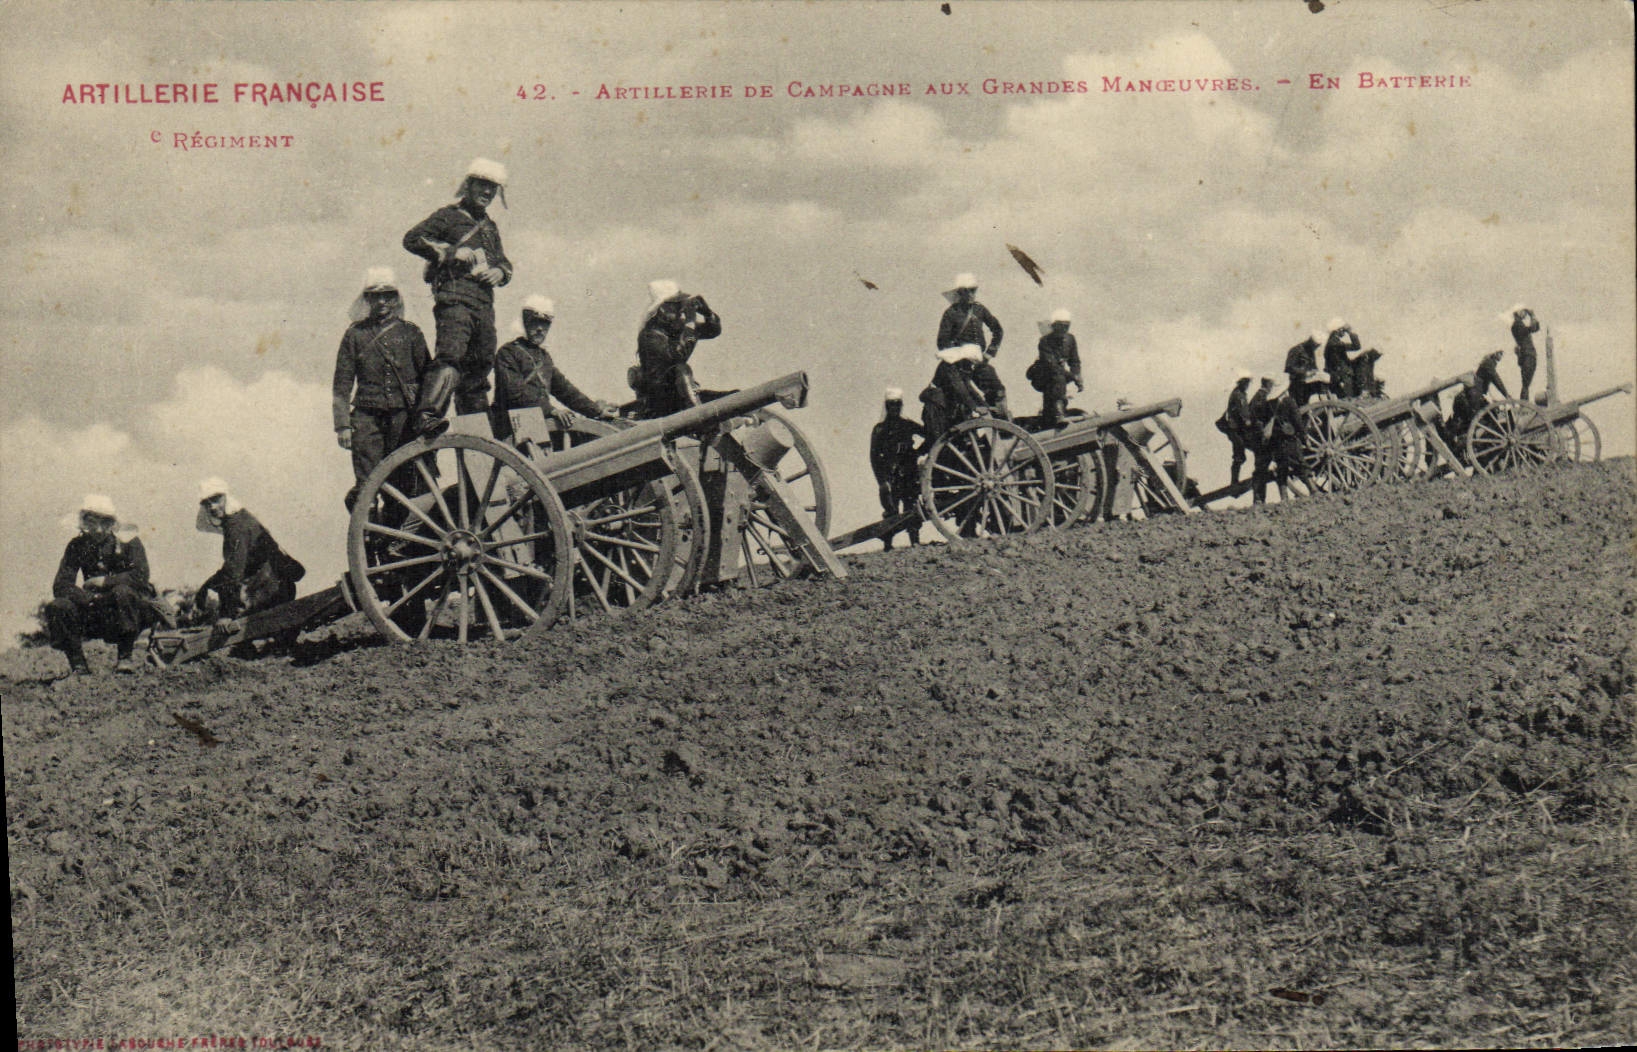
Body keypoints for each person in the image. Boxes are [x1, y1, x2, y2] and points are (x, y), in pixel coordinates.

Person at [401, 158, 513, 438]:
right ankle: (427, 416)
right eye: (482, 185)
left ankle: (477, 434)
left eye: (492, 188)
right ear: (468, 185)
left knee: (479, 369)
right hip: (455, 299)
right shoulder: (448, 216)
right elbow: (412, 239)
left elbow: (504, 262)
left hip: (483, 306)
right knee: (451, 356)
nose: (487, 192)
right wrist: (451, 252)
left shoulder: (489, 227)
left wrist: (500, 272)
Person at [332, 266, 431, 512]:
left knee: (404, 483)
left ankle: (397, 543)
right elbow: (342, 383)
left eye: (388, 295)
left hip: (403, 418)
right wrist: (343, 425)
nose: (383, 301)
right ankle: (368, 538)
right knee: (367, 485)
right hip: (367, 420)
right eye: (376, 296)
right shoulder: (355, 335)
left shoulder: (411, 333)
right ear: (368, 299)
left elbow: (428, 376)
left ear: (396, 298)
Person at [45, 495, 156, 674]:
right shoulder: (77, 545)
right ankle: (78, 665)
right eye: (91, 522)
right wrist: (89, 598)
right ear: (83, 522)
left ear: (112, 523)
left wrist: (105, 582)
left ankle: (125, 658)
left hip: (130, 610)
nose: (97, 529)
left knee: (122, 592)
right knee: (58, 606)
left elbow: (141, 575)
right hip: (94, 608)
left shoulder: (129, 541)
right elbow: (61, 584)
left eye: (104, 523)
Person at [491, 295, 618, 442]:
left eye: (545, 324)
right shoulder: (507, 353)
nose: (540, 329)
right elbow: (515, 393)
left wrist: (596, 411)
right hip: (512, 427)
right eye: (535, 322)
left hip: (538, 424)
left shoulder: (544, 357)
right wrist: (551, 410)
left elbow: (565, 390)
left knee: (583, 439)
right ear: (525, 323)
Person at [195, 479, 306, 645]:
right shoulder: (240, 518)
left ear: (226, 497)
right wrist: (207, 585)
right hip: (279, 586)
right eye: (206, 503)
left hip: (271, 592)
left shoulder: (236, 526)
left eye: (216, 499)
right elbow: (237, 564)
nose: (212, 507)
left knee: (231, 634)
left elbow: (234, 571)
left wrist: (226, 614)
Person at [632, 280, 723, 419]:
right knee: (681, 368)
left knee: (735, 397)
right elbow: (678, 356)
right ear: (662, 308)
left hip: (681, 394)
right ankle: (700, 420)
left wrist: (707, 313)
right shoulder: (650, 335)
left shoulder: (676, 327)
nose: (681, 308)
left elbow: (712, 331)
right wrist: (690, 322)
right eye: (675, 305)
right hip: (660, 401)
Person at [937, 273, 1006, 420]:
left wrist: (989, 353)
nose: (970, 294)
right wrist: (960, 353)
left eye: (973, 290)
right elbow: (942, 342)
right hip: (960, 365)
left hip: (979, 362)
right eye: (965, 291)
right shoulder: (951, 313)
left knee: (998, 390)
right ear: (959, 293)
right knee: (965, 399)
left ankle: (1002, 424)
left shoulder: (980, 310)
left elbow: (998, 330)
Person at [869, 388, 925, 549]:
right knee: (890, 509)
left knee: (912, 506)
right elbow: (874, 457)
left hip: (909, 472)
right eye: (891, 405)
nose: (895, 407)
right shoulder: (879, 429)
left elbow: (929, 435)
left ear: (901, 405)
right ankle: (888, 544)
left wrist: (917, 452)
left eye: (897, 404)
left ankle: (915, 542)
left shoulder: (907, 424)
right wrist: (881, 481)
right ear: (887, 406)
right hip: (890, 475)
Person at [1256, 380, 1315, 504]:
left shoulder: (1269, 404)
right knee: (1300, 464)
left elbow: (1262, 421)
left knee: (1282, 468)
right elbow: (1298, 422)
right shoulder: (1289, 402)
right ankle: (1313, 490)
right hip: (1289, 440)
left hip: (1276, 442)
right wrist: (1305, 438)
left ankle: (1284, 498)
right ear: (1284, 390)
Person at [920, 343, 989, 440]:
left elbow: (969, 389)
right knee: (939, 441)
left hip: (946, 408)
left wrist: (985, 405)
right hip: (936, 408)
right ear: (964, 359)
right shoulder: (949, 366)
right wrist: (975, 407)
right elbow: (960, 389)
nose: (971, 367)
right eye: (970, 363)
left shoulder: (960, 368)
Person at [1028, 309, 1082, 427]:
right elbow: (1052, 366)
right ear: (1054, 326)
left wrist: (1077, 375)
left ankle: (1052, 416)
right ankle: (1058, 414)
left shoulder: (1070, 339)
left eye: (1067, 326)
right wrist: (1073, 377)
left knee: (1058, 382)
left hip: (1059, 376)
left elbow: (1075, 361)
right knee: (1057, 379)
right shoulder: (1045, 341)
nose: (1064, 329)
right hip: (1042, 375)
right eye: (1061, 326)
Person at [1215, 369, 1254, 487]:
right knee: (1239, 454)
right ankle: (1234, 483)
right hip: (1234, 429)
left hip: (1236, 428)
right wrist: (1249, 422)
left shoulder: (1239, 394)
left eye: (1248, 382)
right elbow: (1243, 413)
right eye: (1246, 382)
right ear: (1241, 382)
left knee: (1240, 454)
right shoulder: (1238, 395)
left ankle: (1234, 482)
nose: (1247, 385)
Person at [1507, 304, 1541, 402]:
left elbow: (1535, 328)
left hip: (1527, 355)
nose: (1525, 315)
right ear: (1518, 312)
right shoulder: (1517, 324)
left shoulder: (1518, 324)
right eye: (1524, 312)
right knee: (1526, 384)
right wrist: (1532, 315)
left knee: (1526, 383)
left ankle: (1524, 403)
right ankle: (1524, 404)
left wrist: (1532, 316)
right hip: (1527, 355)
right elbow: (1533, 328)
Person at [1322, 319, 1362, 399]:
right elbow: (1356, 346)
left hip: (1340, 377)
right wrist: (1350, 331)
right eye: (1343, 330)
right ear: (1337, 330)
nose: (1344, 332)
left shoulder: (1332, 342)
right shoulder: (1334, 343)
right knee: (1348, 400)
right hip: (1342, 378)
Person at [1284, 329, 1325, 404]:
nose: (1316, 348)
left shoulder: (1310, 351)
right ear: (1310, 341)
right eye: (1315, 346)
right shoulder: (1296, 350)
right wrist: (1305, 373)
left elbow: (1313, 366)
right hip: (1297, 385)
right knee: (1300, 407)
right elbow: (1288, 368)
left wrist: (1316, 372)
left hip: (1307, 384)